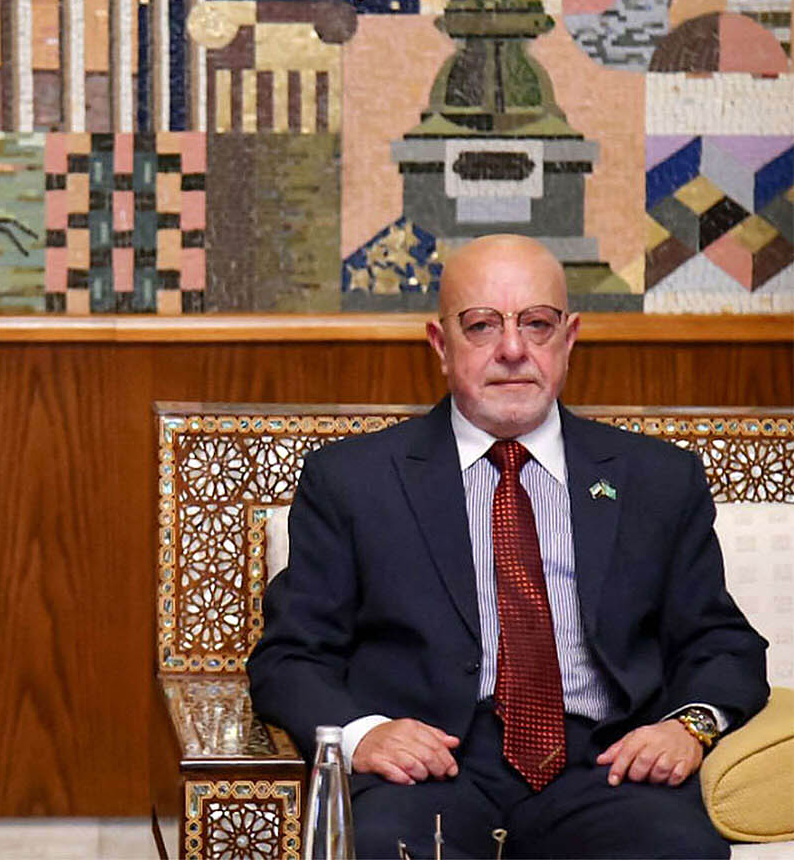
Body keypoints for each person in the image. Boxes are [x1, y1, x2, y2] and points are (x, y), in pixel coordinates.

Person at [248, 234, 768, 858]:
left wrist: (689, 726)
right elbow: (290, 657)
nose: (514, 350)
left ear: (569, 339)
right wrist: (364, 735)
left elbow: (721, 643)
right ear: (440, 344)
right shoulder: (353, 481)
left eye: (537, 324)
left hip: (605, 765)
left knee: (681, 851)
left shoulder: (656, 479)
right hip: (428, 768)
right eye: (481, 326)